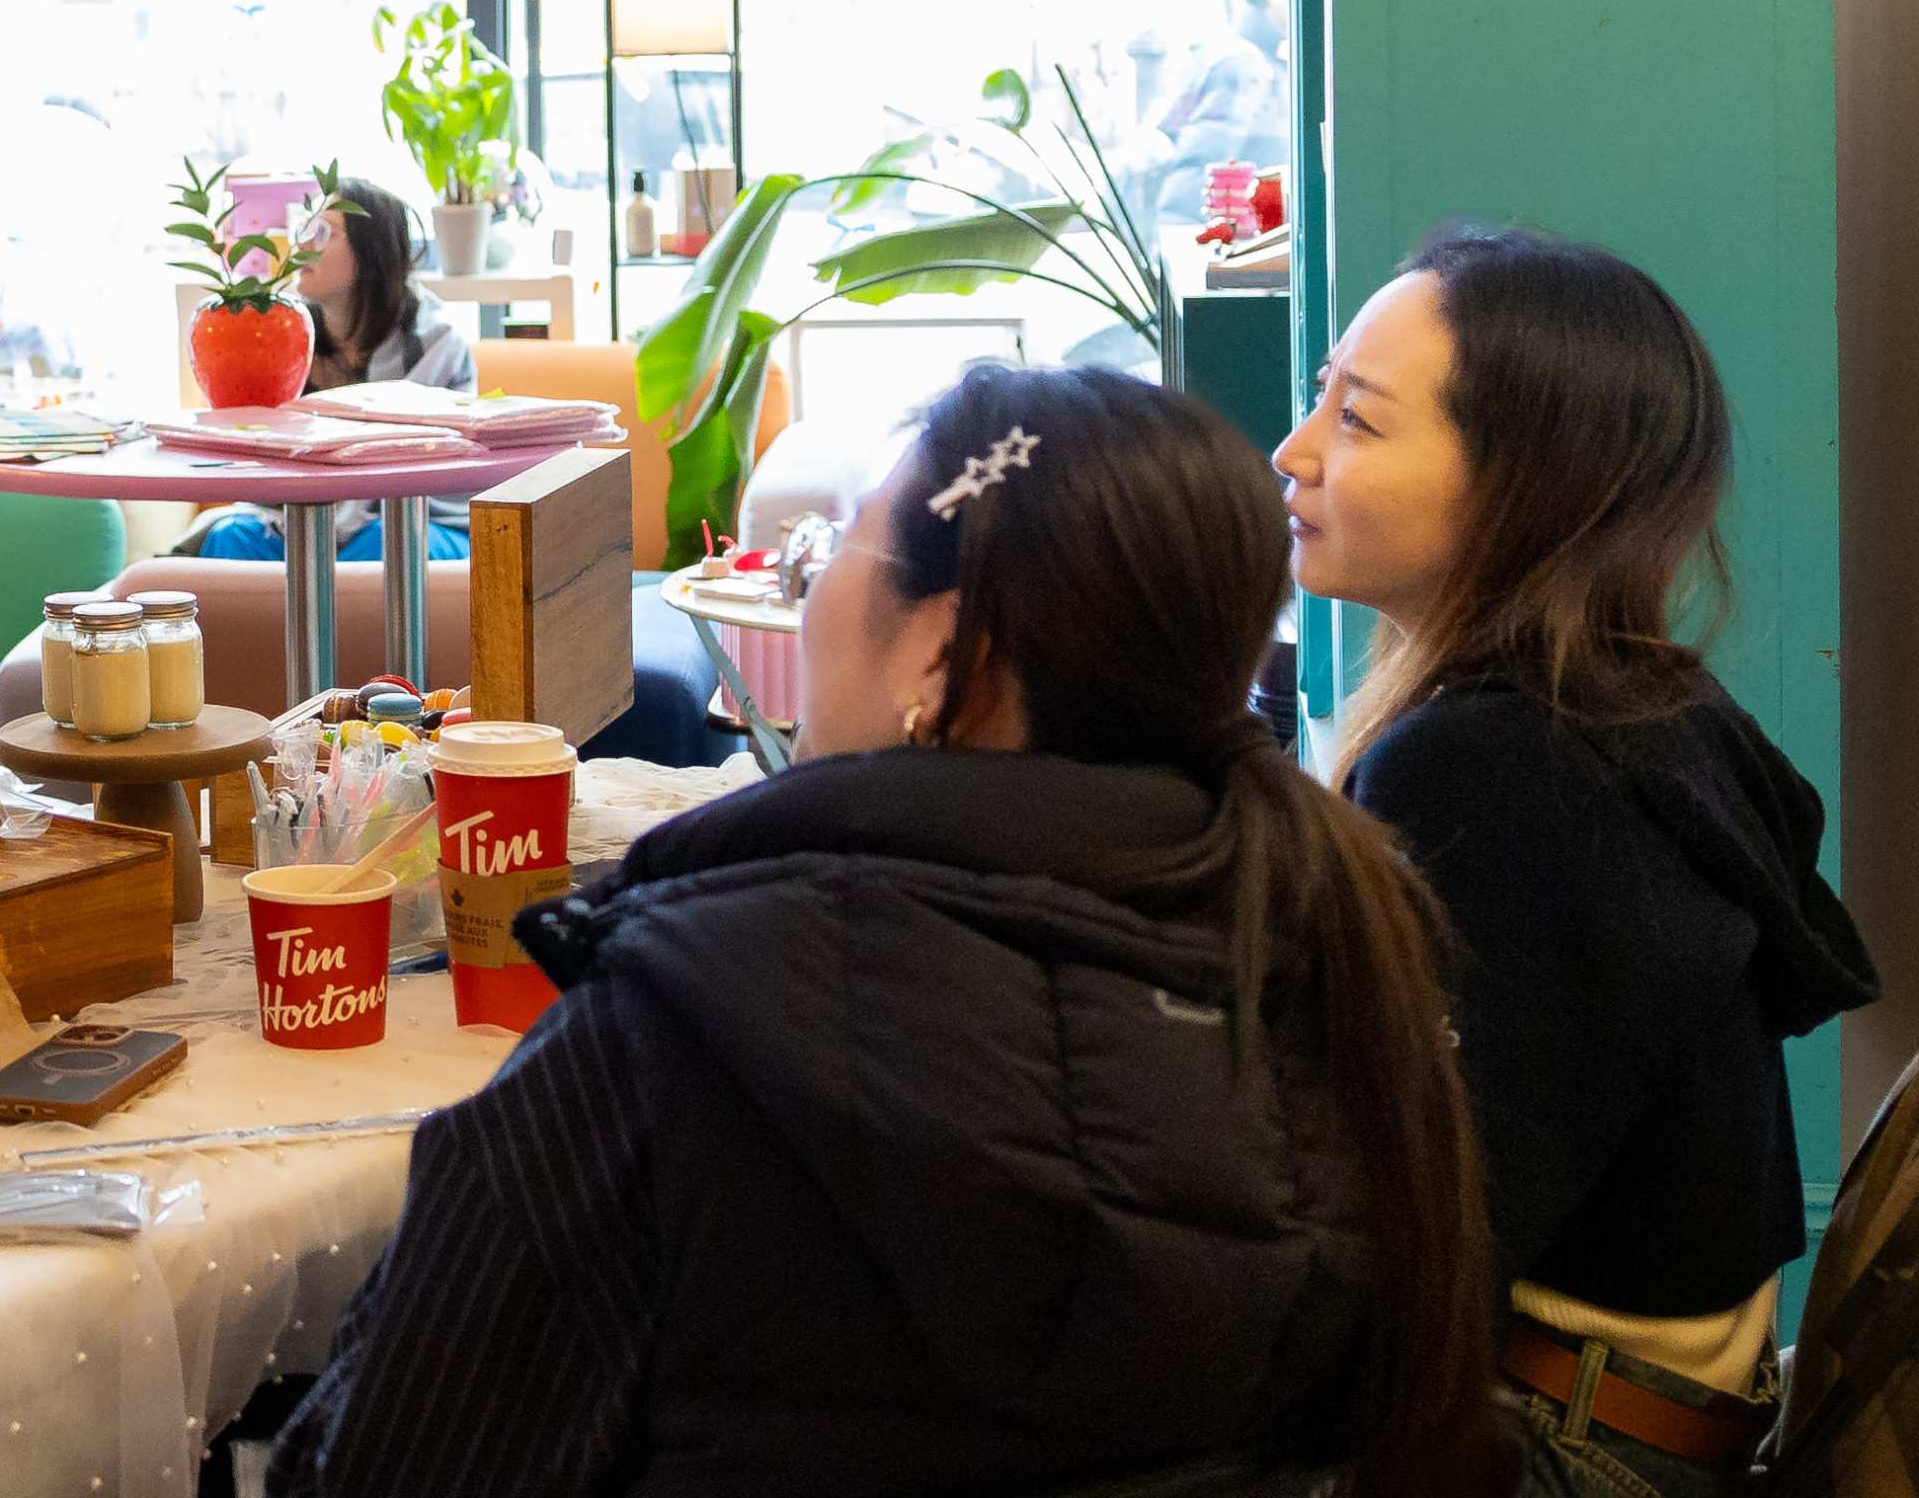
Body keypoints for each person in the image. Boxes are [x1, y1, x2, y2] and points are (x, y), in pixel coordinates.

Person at [273, 363, 1506, 1498]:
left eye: (822, 563)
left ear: (938, 651)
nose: (806, 607)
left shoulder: (679, 1026)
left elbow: (377, 1464)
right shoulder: (1342, 965)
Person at [1282, 225, 1877, 1493]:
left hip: (1566, 1443)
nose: (1295, 452)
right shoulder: (1645, 711)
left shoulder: (1487, 762)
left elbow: (1427, 1240)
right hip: (1666, 1429)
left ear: (1521, 484)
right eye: (1318, 398)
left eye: (1360, 420)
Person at [187, 174, 475, 563]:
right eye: (304, 228)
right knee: (231, 539)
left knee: (387, 543)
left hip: (423, 523)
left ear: (372, 250)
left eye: (323, 231)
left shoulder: (434, 341)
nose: (302, 244)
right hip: (309, 525)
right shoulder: (285, 332)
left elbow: (399, 477)